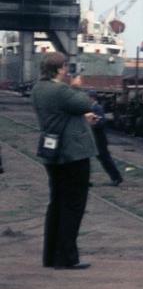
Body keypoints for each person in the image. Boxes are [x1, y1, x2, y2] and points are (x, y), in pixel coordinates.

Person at [32, 52, 99, 270]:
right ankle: (66, 258)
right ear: (60, 69)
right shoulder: (61, 89)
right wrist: (77, 85)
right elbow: (84, 103)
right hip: (72, 154)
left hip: (52, 152)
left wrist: (80, 117)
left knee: (57, 203)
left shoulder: (38, 88)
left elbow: (62, 112)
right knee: (73, 205)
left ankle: (50, 256)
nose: (68, 71)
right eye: (65, 68)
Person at [69, 77, 123, 186]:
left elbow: (101, 122)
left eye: (88, 97)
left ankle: (116, 178)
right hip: (92, 138)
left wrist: (92, 123)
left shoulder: (97, 108)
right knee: (87, 160)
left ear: (92, 98)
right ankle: (87, 180)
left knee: (105, 159)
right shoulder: (90, 108)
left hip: (98, 139)